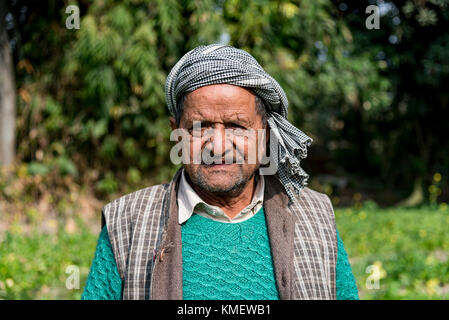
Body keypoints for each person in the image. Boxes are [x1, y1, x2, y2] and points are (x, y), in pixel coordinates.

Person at [81, 44, 358, 300]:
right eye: (199, 127)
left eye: (237, 126)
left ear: (265, 133)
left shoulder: (315, 216)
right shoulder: (127, 222)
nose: (218, 146)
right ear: (176, 132)